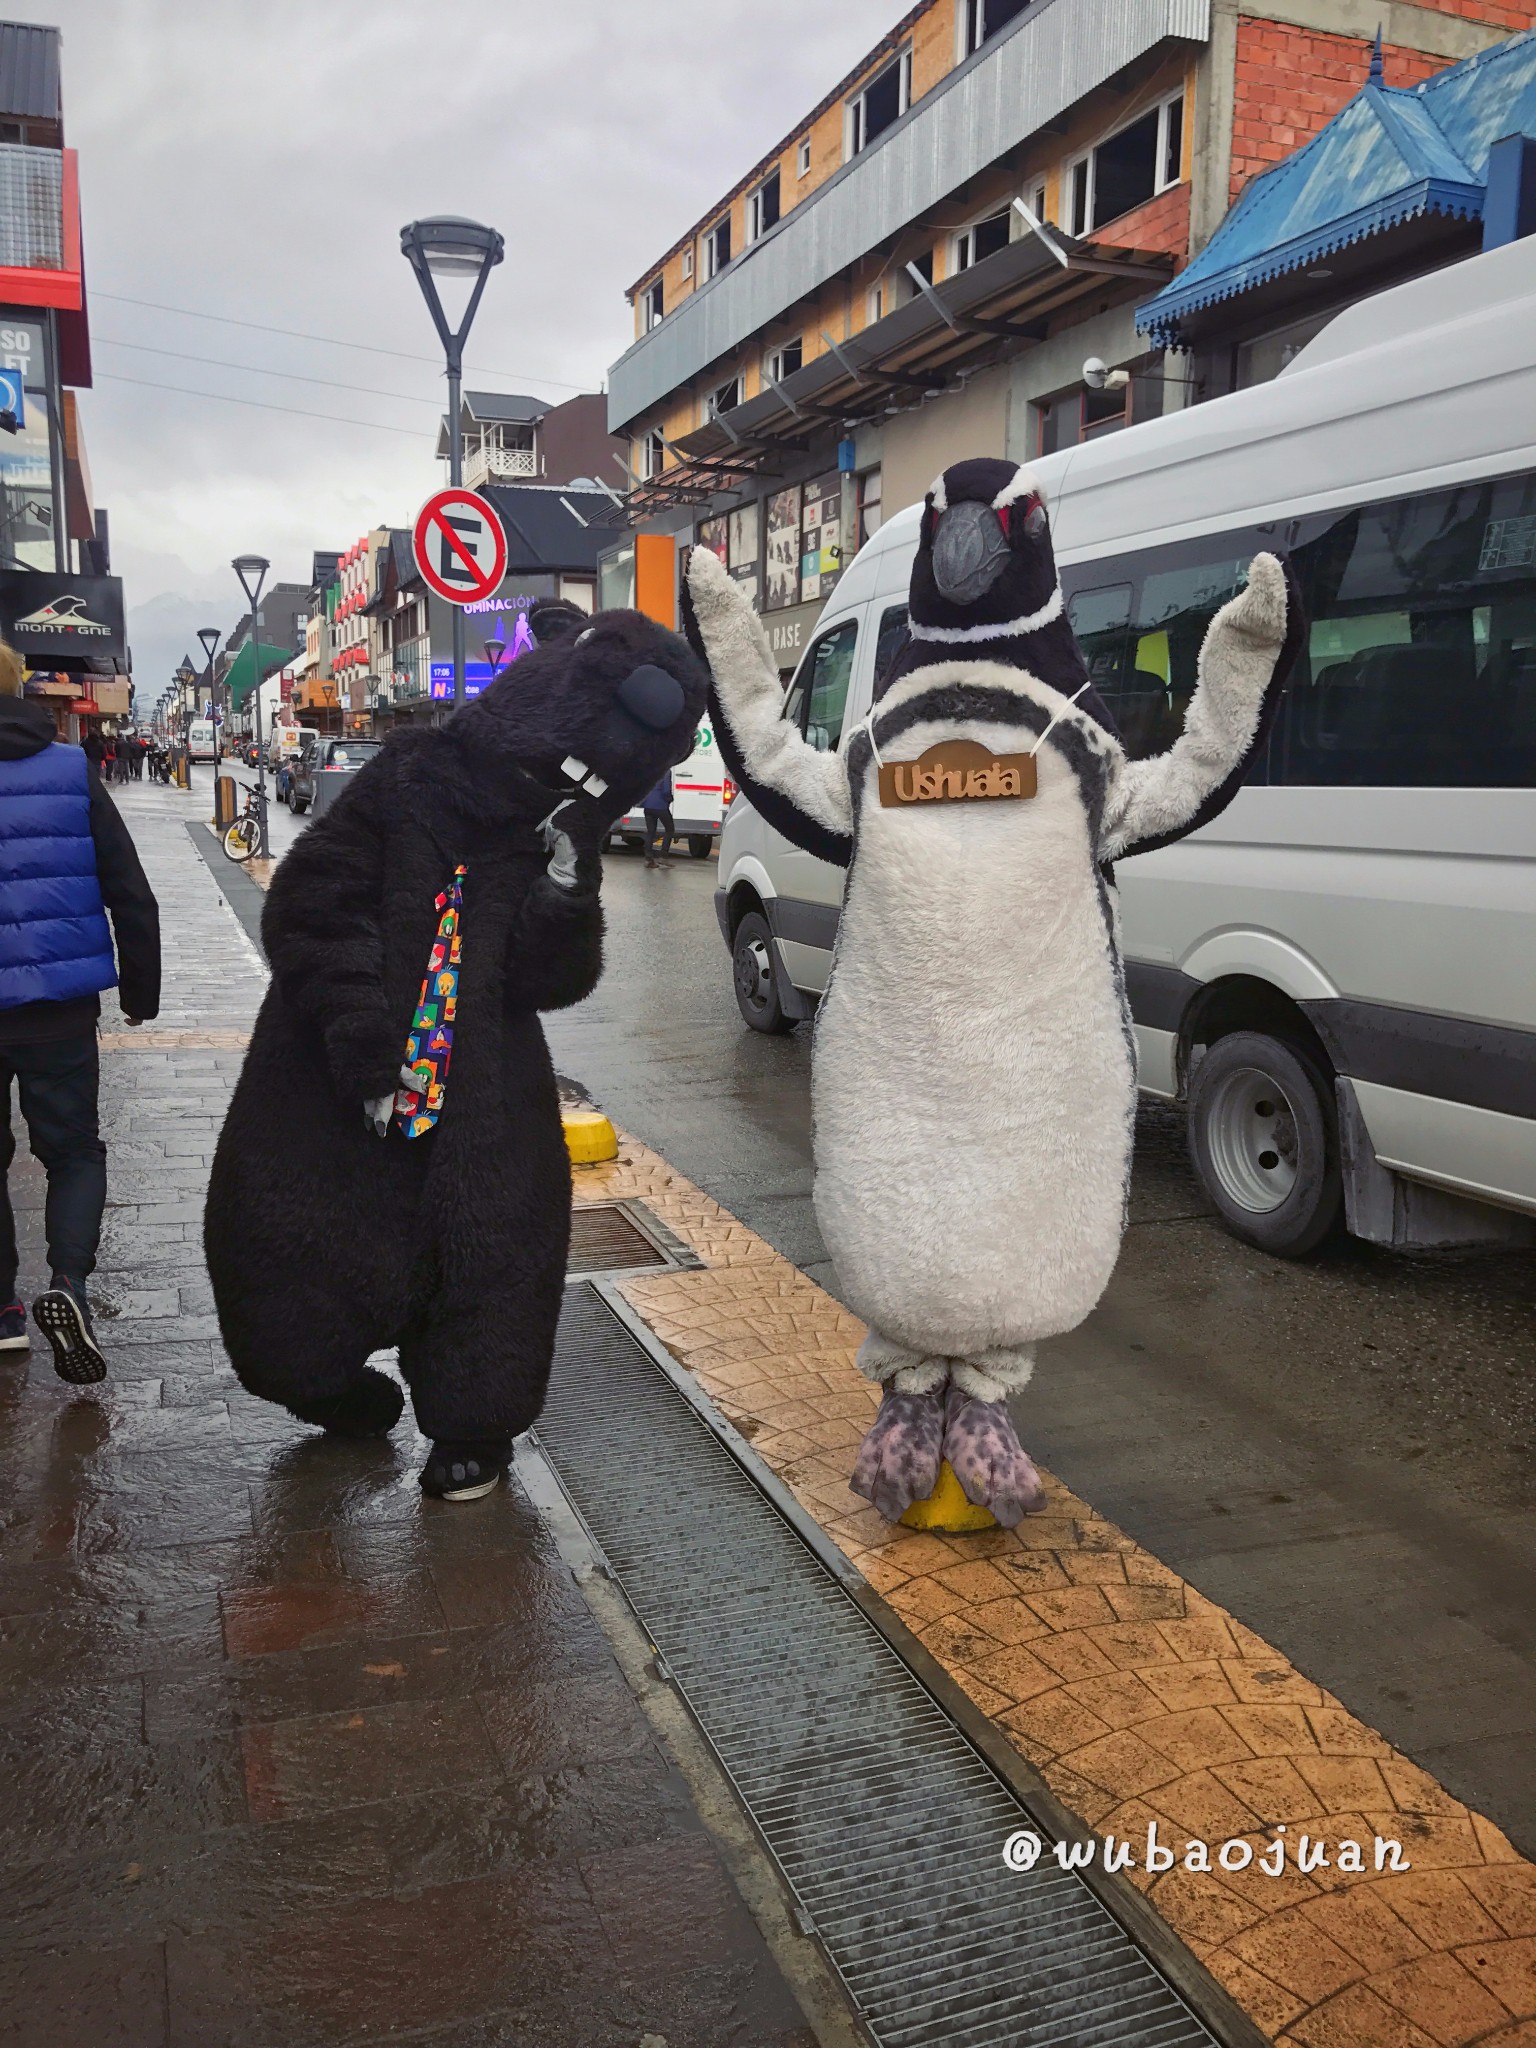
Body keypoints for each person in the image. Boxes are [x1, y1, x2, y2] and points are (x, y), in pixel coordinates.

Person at [0, 643, 161, 1381]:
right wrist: (140, 992)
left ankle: (3, 1311)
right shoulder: (70, 772)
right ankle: (68, 1286)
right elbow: (130, 889)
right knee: (71, 1152)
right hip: (58, 1008)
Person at [642, 768, 674, 867]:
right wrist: (670, 799)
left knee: (650, 832)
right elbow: (666, 790)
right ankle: (663, 856)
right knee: (670, 829)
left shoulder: (650, 770)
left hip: (647, 805)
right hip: (660, 806)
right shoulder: (666, 771)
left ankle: (648, 859)